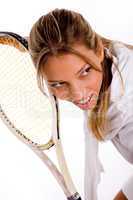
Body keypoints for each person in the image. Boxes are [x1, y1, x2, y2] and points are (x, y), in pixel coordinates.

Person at [28, 8, 133, 200]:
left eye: (84, 72)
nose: (79, 94)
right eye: (58, 83)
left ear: (100, 52)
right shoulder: (110, 73)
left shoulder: (127, 101)